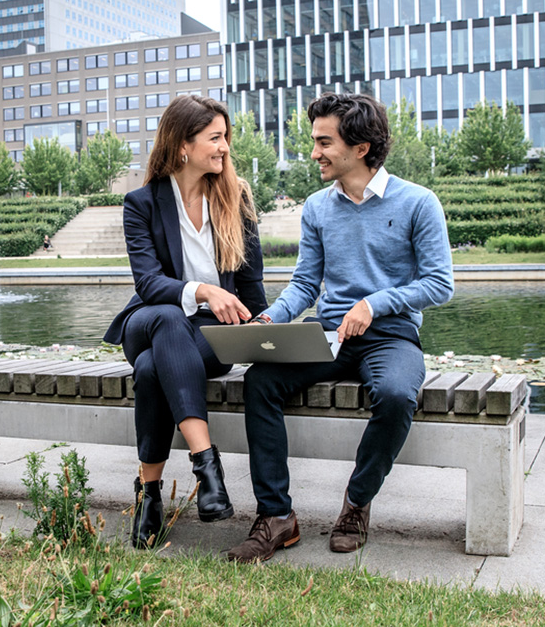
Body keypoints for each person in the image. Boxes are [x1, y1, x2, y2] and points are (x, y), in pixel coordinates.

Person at [225, 93, 454, 563]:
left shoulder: (418, 203)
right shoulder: (317, 207)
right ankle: (275, 517)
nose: (314, 153)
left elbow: (439, 283)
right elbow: (306, 283)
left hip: (391, 336)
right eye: (315, 142)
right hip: (327, 335)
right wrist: (270, 318)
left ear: (361, 147)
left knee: (394, 394)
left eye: (324, 143)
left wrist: (376, 303)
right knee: (260, 380)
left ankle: (356, 502)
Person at [104, 94, 267, 549]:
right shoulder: (141, 203)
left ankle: (149, 496)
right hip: (148, 321)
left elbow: (251, 287)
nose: (224, 148)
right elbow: (149, 281)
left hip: (210, 338)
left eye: (226, 138)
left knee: (154, 369)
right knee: (166, 319)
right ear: (182, 145)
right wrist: (204, 290)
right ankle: (205, 465)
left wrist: (263, 327)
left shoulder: (237, 198)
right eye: (215, 138)